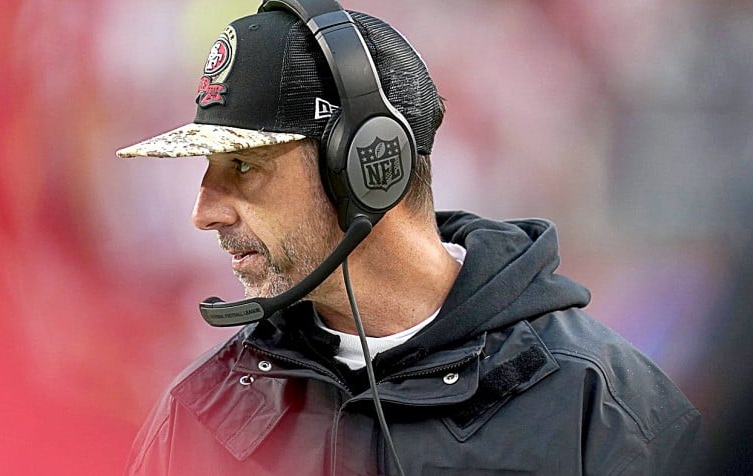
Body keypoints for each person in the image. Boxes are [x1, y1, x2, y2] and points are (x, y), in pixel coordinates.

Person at [117, 1, 701, 474]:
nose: (203, 211)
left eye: (243, 166)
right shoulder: (200, 412)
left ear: (371, 164)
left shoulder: (603, 408)